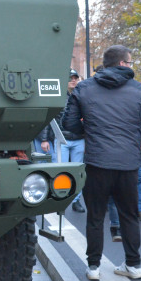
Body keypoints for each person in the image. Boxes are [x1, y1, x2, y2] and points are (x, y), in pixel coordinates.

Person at [62, 45, 141, 281]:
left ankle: (93, 267)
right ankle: (134, 265)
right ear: (123, 64)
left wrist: (91, 130)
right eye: (131, 62)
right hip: (128, 163)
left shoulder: (84, 87)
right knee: (129, 215)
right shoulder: (140, 91)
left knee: (95, 216)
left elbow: (69, 124)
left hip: (97, 161)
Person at [61, 69, 85, 212]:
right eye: (70, 78)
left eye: (75, 78)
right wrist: (46, 139)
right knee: (62, 172)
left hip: (78, 139)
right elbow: (53, 118)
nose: (73, 80)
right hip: (62, 139)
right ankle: (61, 201)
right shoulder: (59, 97)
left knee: (78, 171)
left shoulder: (82, 96)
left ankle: (76, 200)